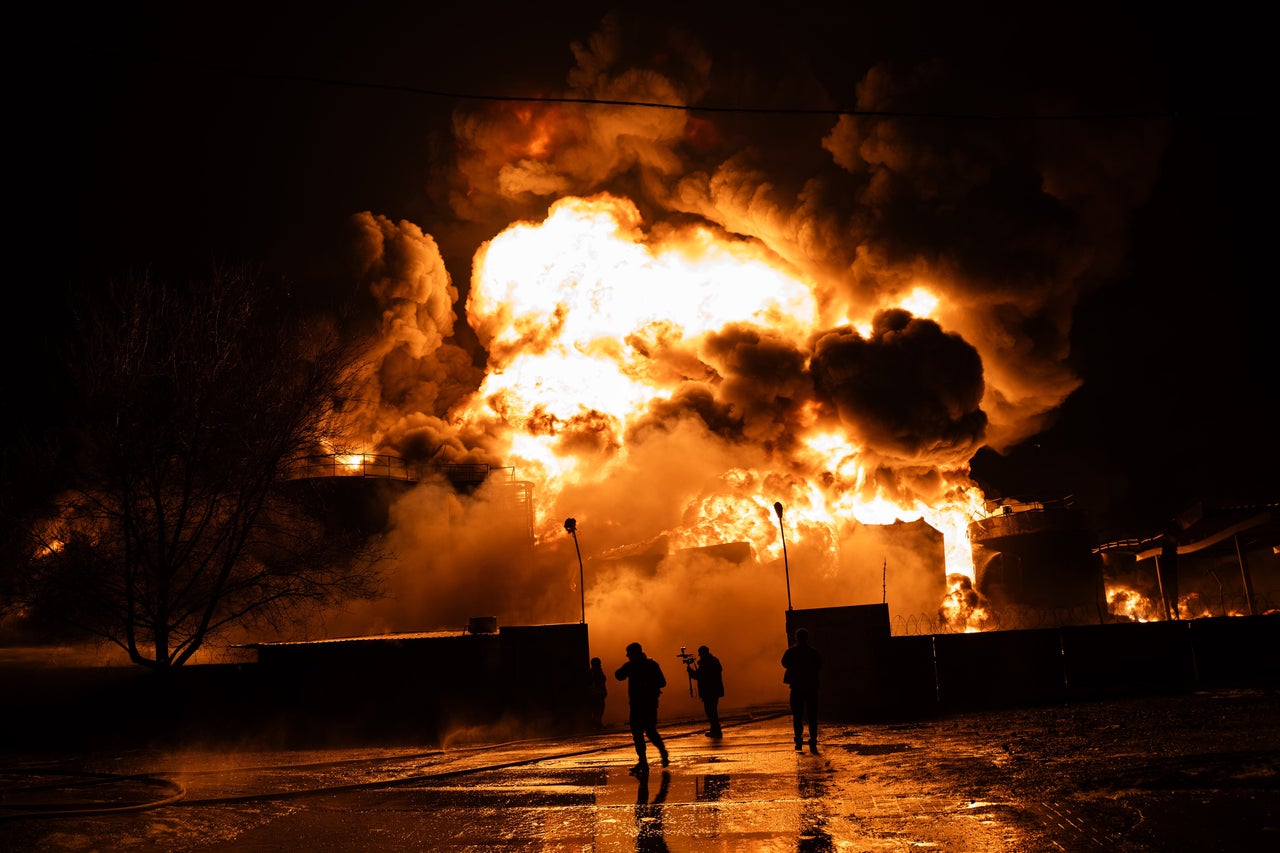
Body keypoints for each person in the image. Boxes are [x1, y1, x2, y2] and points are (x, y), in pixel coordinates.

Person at [615, 641, 669, 774]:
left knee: (646, 733)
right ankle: (645, 761)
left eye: (629, 654)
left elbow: (662, 682)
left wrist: (647, 684)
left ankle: (655, 755)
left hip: (644, 704)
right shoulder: (645, 665)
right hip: (640, 704)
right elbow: (619, 676)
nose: (628, 656)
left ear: (635, 653)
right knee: (641, 733)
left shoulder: (648, 665)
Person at [781, 627, 821, 753]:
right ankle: (813, 739)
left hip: (797, 687)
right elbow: (820, 665)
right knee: (812, 716)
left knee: (797, 715)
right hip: (811, 687)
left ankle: (798, 740)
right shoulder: (813, 653)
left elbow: (784, 663)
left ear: (796, 638)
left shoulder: (791, 652)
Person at [686, 645, 724, 738]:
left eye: (700, 653)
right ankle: (715, 730)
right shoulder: (714, 660)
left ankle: (716, 731)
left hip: (709, 691)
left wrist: (690, 671)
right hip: (714, 691)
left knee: (711, 712)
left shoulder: (706, 663)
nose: (699, 655)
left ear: (703, 653)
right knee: (712, 711)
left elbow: (699, 676)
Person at [588, 656, 608, 729]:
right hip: (597, 694)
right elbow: (597, 683)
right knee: (598, 709)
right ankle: (597, 724)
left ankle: (597, 723)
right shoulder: (595, 672)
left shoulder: (596, 672)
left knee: (599, 709)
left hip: (599, 693)